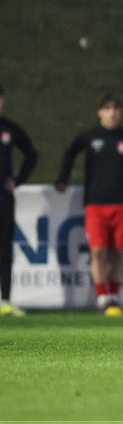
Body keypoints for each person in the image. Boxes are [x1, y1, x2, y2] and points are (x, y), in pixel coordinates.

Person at [56, 94, 123, 316]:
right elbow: (70, 153)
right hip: (95, 203)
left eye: (116, 109)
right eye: (108, 109)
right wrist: (63, 178)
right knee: (98, 251)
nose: (112, 113)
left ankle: (115, 295)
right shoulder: (90, 137)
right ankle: (102, 295)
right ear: (100, 112)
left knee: (117, 251)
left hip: (121, 203)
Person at [0, 86, 38, 317]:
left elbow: (31, 154)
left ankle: (5, 299)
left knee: (4, 248)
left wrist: (19, 179)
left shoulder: (9, 129)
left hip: (3, 198)